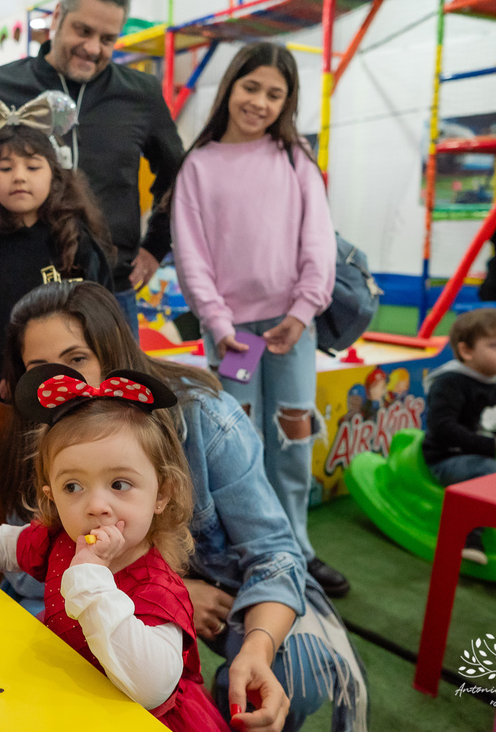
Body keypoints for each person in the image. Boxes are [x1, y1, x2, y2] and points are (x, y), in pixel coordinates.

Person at [0, 282, 368, 732]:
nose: (68, 385)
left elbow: (274, 553)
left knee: (291, 680)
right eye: (42, 369)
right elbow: (30, 564)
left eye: (78, 360)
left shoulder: (206, 419)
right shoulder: (43, 438)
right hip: (141, 601)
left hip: (232, 593)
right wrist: (163, 596)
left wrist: (256, 648)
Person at [0, 364, 228, 732]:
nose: (96, 505)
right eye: (73, 487)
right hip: (63, 700)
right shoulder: (59, 542)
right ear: (51, 497)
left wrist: (92, 577)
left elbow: (151, 688)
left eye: (119, 483)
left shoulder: (159, 590)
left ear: (161, 493)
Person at [168, 42, 349, 598]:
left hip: (292, 329)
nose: (260, 102)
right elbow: (191, 252)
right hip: (231, 336)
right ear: (230, 88)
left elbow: (319, 243)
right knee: (236, 448)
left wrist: (301, 312)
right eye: (252, 87)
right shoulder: (199, 164)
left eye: (276, 94)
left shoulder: (296, 161)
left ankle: (297, 548)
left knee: (292, 440)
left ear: (288, 102)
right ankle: (248, 551)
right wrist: (219, 325)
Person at [0, 0, 184, 337]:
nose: (93, 48)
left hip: (109, 290)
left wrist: (157, 244)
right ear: (57, 17)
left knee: (112, 395)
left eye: (108, 39)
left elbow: (178, 174)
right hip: (12, 291)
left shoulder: (141, 94)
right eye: (83, 30)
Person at [0, 92, 112, 398]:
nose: (19, 177)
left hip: (73, 389)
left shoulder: (76, 238)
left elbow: (102, 320)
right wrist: (8, 374)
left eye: (32, 166)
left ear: (55, 175)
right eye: (5, 168)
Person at [422, 308, 496, 565]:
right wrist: (491, 444)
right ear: (467, 351)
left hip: (484, 450)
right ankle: (469, 536)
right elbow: (442, 428)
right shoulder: (450, 383)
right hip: (448, 457)